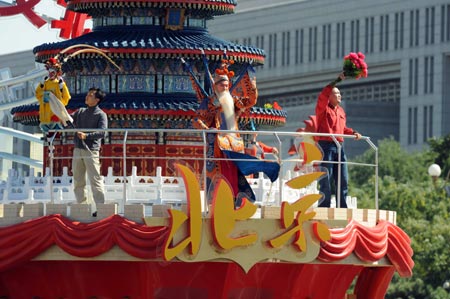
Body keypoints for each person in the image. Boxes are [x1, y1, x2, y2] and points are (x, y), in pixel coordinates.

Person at [315, 72, 361, 208]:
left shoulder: (340, 111)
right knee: (326, 179)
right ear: (329, 97)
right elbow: (323, 93)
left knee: (343, 179)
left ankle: (342, 207)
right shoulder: (323, 109)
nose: (339, 95)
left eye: (340, 93)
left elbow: (342, 128)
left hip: (340, 147)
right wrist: (337, 80)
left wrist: (353, 133)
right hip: (326, 146)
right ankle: (324, 207)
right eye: (336, 93)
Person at [71, 88, 108, 216]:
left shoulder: (101, 115)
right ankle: (82, 207)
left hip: (91, 150)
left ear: (97, 100)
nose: (87, 96)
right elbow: (68, 121)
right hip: (78, 149)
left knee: (95, 180)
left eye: (90, 95)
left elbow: (102, 132)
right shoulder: (80, 112)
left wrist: (87, 136)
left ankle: (101, 208)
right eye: (88, 94)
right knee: (78, 180)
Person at [35, 57, 71, 133]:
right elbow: (38, 95)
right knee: (47, 138)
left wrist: (62, 87)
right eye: (50, 73)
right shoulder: (44, 83)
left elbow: (66, 98)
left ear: (56, 73)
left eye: (53, 73)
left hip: (55, 115)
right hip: (45, 116)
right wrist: (41, 85)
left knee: (56, 136)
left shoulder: (59, 84)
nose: (51, 75)